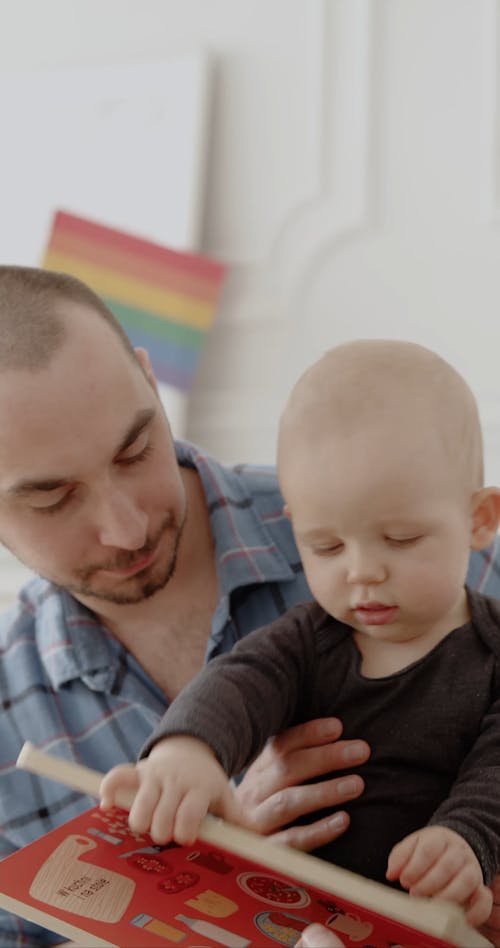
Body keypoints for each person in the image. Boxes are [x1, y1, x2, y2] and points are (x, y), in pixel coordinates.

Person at [0, 270, 496, 948]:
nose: (126, 528)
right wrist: (218, 866)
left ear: (151, 383)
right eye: (52, 499)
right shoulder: (8, 717)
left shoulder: (418, 523)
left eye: (134, 450)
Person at [102, 339, 500, 935]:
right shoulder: (308, 641)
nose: (363, 571)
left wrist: (464, 839)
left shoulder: (491, 654)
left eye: (400, 539)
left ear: (478, 520)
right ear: (296, 530)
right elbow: (239, 683)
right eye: (328, 547)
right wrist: (192, 751)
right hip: (296, 921)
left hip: (433, 921)